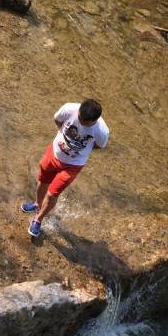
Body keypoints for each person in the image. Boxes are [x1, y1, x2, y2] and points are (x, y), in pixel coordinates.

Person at [21, 99, 109, 237]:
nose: (80, 122)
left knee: (52, 193)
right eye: (79, 118)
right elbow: (57, 120)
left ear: (94, 120)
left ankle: (38, 219)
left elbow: (99, 146)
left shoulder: (102, 131)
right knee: (43, 180)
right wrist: (63, 136)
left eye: (85, 122)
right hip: (54, 153)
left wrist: (80, 149)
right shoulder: (70, 108)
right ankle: (37, 204)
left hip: (73, 165)